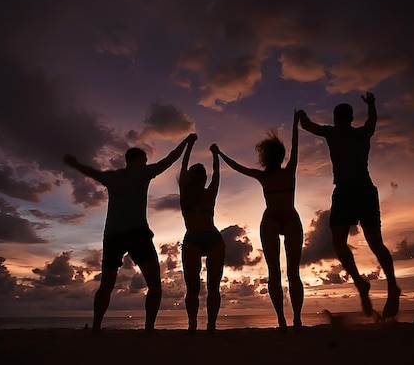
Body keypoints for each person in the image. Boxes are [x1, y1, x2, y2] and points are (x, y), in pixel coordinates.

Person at [63, 133, 197, 332]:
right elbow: (169, 159)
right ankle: (149, 328)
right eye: (145, 160)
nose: (146, 164)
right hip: (136, 232)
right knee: (154, 285)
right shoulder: (142, 173)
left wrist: (74, 164)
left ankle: (96, 327)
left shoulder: (113, 177)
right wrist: (186, 143)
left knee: (107, 285)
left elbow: (91, 172)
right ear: (139, 160)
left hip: (112, 235)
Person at [297, 92, 401, 319]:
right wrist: (372, 104)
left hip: (345, 190)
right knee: (376, 243)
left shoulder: (332, 132)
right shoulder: (363, 133)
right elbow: (372, 122)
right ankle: (392, 285)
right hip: (366, 188)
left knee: (338, 240)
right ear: (352, 118)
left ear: (335, 118)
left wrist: (301, 114)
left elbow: (307, 126)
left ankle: (360, 283)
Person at [211, 110, 304, 331]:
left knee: (283, 272)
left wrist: (219, 153)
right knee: (288, 272)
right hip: (280, 218)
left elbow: (237, 166)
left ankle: (289, 319)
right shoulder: (285, 171)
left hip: (281, 218)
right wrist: (294, 122)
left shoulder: (273, 173)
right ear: (279, 156)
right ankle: (289, 319)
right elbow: (296, 145)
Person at [179, 140, 225, 334]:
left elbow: (217, 175)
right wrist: (189, 145)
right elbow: (183, 165)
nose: (201, 179)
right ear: (191, 178)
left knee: (213, 286)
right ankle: (192, 325)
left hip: (212, 238)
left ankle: (211, 326)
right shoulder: (185, 192)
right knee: (192, 287)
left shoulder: (209, 193)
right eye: (198, 176)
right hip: (193, 239)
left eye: (202, 176)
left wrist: (216, 155)